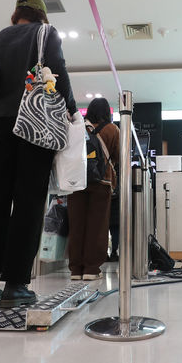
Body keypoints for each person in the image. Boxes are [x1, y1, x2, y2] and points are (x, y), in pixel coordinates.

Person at [0, 0, 77, 308]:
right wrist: (72, 110)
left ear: (16, 14)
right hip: (34, 126)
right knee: (27, 202)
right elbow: (58, 71)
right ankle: (15, 286)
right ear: (42, 15)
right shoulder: (46, 34)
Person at [67, 98, 120, 280]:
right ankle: (91, 269)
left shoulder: (78, 127)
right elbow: (118, 157)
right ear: (107, 112)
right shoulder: (112, 129)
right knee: (97, 226)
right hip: (102, 182)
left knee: (76, 225)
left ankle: (75, 269)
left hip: (77, 181)